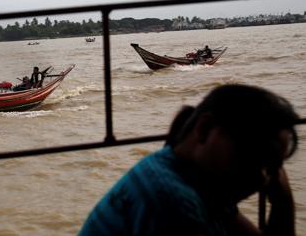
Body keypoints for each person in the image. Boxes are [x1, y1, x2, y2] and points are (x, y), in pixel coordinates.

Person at [79, 84, 299, 236]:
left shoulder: (192, 181)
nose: (262, 178)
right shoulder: (173, 202)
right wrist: (283, 201)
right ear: (204, 129)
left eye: (271, 166)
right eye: (253, 157)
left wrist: (283, 201)